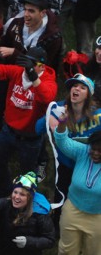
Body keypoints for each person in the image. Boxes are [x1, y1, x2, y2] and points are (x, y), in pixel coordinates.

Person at [0, 46, 57, 197]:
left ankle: (25, 199)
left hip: (31, 138)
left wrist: (33, 78)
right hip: (8, 131)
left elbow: (46, 97)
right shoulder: (17, 72)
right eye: (26, 62)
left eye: (32, 64)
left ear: (41, 66)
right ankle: (5, 192)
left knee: (28, 173)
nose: (27, 67)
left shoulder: (49, 80)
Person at [35, 74, 101, 232]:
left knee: (87, 192)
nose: (76, 89)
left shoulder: (97, 115)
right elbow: (37, 128)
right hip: (64, 164)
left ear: (89, 95)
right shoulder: (58, 109)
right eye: (74, 86)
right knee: (61, 194)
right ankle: (56, 226)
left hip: (88, 164)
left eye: (82, 87)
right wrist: (49, 120)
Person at [45, 119, 101, 255]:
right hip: (73, 209)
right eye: (93, 148)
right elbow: (62, 141)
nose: (95, 153)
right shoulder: (83, 151)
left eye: (100, 151)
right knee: (66, 248)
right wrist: (62, 124)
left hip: (98, 216)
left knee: (93, 251)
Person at [0, 0, 63, 69]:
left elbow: (43, 67)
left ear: (42, 13)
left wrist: (15, 53)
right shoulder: (15, 23)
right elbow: (6, 43)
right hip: (8, 72)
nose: (26, 14)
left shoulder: (53, 37)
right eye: (25, 9)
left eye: (31, 11)